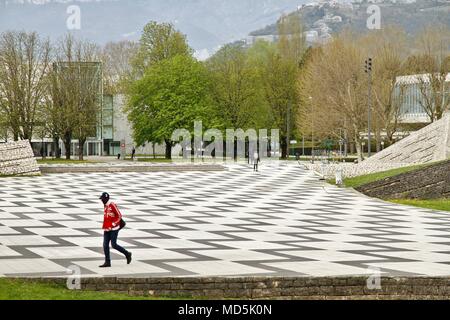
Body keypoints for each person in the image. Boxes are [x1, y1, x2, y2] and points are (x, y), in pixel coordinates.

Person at [99, 192, 132, 268]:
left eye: (102, 199)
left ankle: (127, 254)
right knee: (105, 245)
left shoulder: (112, 205)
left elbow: (119, 215)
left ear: (106, 198)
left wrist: (114, 223)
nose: (101, 200)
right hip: (107, 228)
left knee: (114, 245)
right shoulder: (105, 205)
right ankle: (107, 262)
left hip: (114, 229)